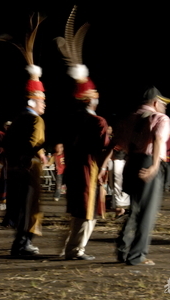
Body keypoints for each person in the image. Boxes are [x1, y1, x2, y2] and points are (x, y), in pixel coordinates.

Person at [114, 86, 170, 266]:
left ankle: (123, 250)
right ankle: (137, 256)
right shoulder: (160, 118)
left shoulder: (129, 118)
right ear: (155, 102)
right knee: (147, 213)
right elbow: (157, 139)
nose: (165, 107)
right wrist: (155, 165)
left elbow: (119, 143)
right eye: (163, 104)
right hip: (148, 162)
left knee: (135, 209)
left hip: (131, 163)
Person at [61, 65, 110, 260]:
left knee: (78, 208)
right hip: (89, 167)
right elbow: (102, 147)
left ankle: (72, 246)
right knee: (87, 208)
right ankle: (75, 249)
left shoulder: (70, 119)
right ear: (90, 100)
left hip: (72, 168)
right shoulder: (98, 122)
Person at [3, 64, 47, 256]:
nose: (44, 104)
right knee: (30, 207)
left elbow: (6, 141)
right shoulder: (36, 120)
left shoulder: (18, 118)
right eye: (41, 101)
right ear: (32, 102)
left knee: (20, 205)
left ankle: (21, 242)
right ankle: (22, 243)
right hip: (29, 169)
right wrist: (38, 152)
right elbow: (33, 143)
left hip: (15, 168)